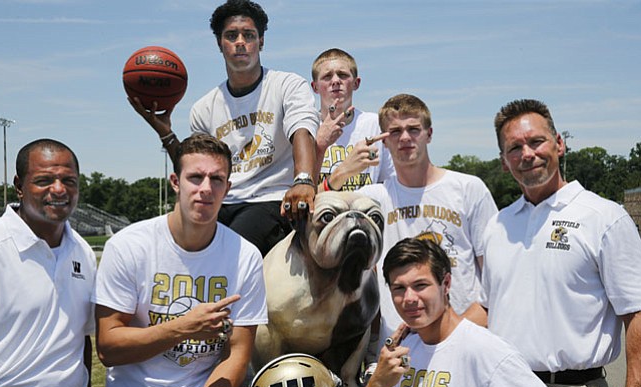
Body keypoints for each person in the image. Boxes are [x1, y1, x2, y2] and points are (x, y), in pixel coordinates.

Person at [467, 98, 641, 387]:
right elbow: (487, 309)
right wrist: (424, 339)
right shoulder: (497, 226)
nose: (526, 154)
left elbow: (635, 312)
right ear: (504, 161)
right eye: (514, 147)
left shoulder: (603, 218)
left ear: (559, 144)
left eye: (536, 142)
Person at [91, 133, 267, 387]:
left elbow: (236, 355)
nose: (206, 189)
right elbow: (108, 348)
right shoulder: (129, 246)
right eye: (195, 177)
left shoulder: (244, 256)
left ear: (227, 187)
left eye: (217, 179)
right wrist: (183, 328)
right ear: (175, 182)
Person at [347, 237, 587, 387]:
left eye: (420, 285)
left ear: (446, 284)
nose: (409, 298)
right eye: (399, 288)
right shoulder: (405, 350)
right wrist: (377, 383)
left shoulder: (485, 352)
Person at [131, 0, 319, 257]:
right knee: (166, 246)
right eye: (231, 35)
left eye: (249, 35)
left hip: (270, 199)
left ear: (261, 42)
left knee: (226, 251)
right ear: (220, 44)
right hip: (222, 200)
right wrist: (166, 133)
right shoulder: (204, 107)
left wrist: (304, 180)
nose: (240, 42)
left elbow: (302, 130)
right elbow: (196, 164)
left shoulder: (287, 85)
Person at [0, 139, 97, 387]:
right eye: (43, 180)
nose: (59, 189)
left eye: (69, 181)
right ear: (19, 186)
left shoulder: (82, 250)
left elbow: (80, 340)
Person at [358, 94, 498, 348]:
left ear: (429, 134)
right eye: (395, 131)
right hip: (401, 345)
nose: (405, 138)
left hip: (464, 338)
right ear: (384, 141)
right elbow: (318, 212)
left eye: (414, 129)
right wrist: (342, 169)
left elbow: (495, 277)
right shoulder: (372, 199)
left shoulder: (468, 189)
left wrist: (458, 335)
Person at [310, 48, 394, 192]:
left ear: (356, 83)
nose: (335, 81)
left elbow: (391, 186)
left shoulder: (375, 124)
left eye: (342, 75)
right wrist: (344, 170)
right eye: (327, 76)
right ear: (315, 87)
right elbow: (301, 196)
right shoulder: (306, 127)